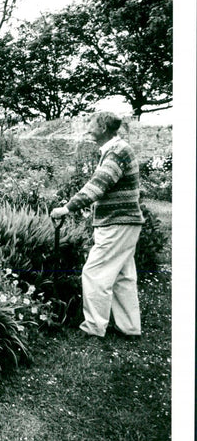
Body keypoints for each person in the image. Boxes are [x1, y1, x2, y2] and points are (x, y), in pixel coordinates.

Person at [51, 111, 144, 338]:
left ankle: (93, 327)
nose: (88, 127)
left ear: (103, 127)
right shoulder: (117, 149)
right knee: (123, 276)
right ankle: (129, 328)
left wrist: (67, 208)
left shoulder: (116, 152)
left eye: (91, 124)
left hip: (117, 223)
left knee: (94, 273)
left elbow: (98, 186)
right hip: (126, 222)